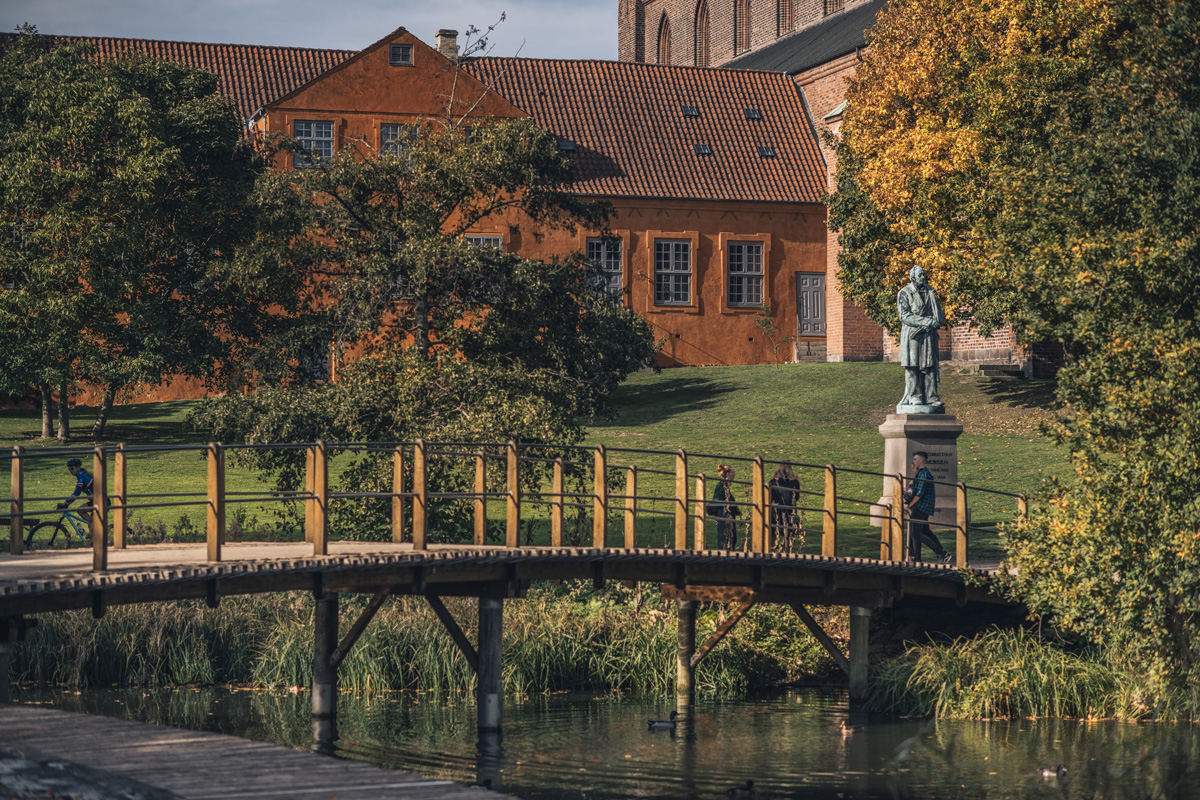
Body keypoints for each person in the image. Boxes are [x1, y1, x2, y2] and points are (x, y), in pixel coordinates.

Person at [897, 265, 946, 410]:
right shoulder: (904, 293)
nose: (923, 277)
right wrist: (925, 321)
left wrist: (930, 324)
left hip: (928, 334)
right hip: (912, 335)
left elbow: (938, 316)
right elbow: (904, 315)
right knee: (912, 366)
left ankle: (931, 397)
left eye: (924, 274)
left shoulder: (930, 291)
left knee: (930, 366)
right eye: (920, 275)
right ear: (913, 277)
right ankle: (914, 396)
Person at [904, 451, 951, 564]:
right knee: (925, 532)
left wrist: (908, 507)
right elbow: (913, 492)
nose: (914, 462)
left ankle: (940, 552)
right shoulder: (920, 474)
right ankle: (918, 558)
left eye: (915, 459)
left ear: (921, 460)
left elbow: (919, 494)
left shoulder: (924, 473)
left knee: (915, 533)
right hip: (922, 507)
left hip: (921, 507)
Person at [768, 463, 802, 552]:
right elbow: (796, 497)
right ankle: (788, 551)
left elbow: (770, 497)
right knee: (789, 533)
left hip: (776, 510)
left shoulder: (773, 482)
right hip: (790, 510)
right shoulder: (795, 482)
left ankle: (772, 550)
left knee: (774, 532)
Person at [710, 463, 740, 550]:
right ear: (728, 474)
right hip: (722, 516)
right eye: (733, 472)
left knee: (731, 537)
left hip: (725, 516)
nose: (734, 474)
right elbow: (717, 501)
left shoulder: (724, 486)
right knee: (726, 537)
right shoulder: (721, 486)